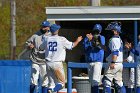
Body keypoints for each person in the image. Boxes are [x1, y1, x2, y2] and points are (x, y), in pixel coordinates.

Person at [40, 24, 83, 93]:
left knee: (51, 84)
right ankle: (53, 90)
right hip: (57, 63)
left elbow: (41, 48)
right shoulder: (61, 39)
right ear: (57, 30)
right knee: (61, 83)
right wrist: (77, 40)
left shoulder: (47, 39)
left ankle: (52, 89)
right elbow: (72, 45)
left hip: (48, 63)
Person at [25, 21, 51, 93]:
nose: (43, 27)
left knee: (45, 81)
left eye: (45, 26)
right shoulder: (35, 35)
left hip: (45, 61)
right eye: (42, 26)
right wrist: (29, 46)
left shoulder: (50, 36)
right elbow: (27, 43)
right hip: (35, 60)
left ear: (48, 27)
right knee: (33, 80)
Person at [102, 21, 126, 93]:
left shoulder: (114, 39)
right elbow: (109, 50)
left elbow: (115, 52)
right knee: (119, 83)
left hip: (114, 63)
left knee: (106, 81)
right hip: (119, 64)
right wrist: (100, 45)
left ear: (115, 31)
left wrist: (113, 62)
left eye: (111, 30)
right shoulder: (118, 39)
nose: (110, 32)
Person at [83, 24, 105, 93]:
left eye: (97, 31)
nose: (96, 32)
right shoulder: (88, 37)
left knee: (95, 82)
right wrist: (88, 40)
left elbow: (99, 47)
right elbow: (85, 48)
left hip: (98, 62)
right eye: (95, 31)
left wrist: (92, 39)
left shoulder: (102, 37)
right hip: (89, 61)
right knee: (91, 83)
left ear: (100, 31)